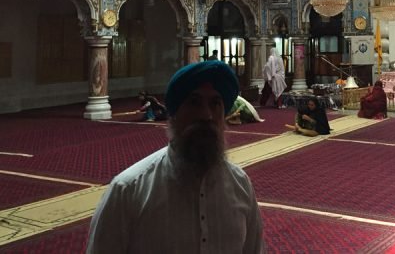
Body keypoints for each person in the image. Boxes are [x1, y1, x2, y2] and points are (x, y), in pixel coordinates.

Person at [86, 61, 264, 253]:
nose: (206, 115)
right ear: (174, 113)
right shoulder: (129, 190)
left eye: (215, 104)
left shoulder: (240, 186)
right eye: (194, 103)